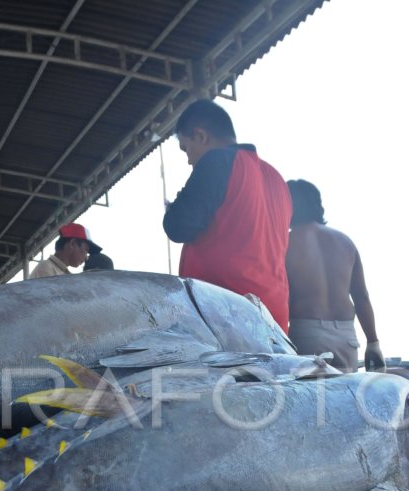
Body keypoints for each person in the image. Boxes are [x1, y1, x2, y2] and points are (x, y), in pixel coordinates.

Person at [162, 99, 291, 328]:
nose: (190, 160)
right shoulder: (276, 178)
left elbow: (177, 226)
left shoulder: (218, 161)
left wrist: (173, 207)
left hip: (227, 316)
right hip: (274, 319)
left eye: (186, 148)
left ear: (200, 136)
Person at [285, 179, 383, 372]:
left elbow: (280, 294)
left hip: (306, 334)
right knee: (346, 398)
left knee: (312, 399)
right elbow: (361, 296)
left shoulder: (287, 242)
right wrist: (373, 342)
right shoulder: (345, 242)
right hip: (346, 337)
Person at [29, 223, 100, 279]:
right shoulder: (46, 269)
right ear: (72, 244)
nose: (86, 257)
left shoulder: (58, 271)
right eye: (86, 250)